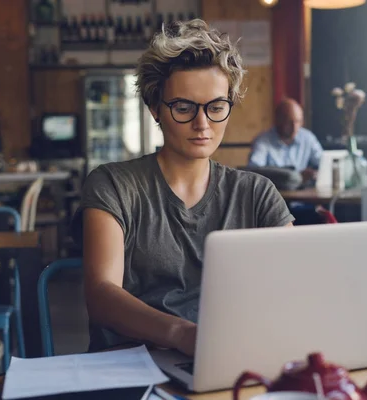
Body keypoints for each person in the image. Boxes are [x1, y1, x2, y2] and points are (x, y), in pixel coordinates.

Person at [70, 20, 294, 356]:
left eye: (216, 107)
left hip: (226, 358)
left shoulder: (257, 194)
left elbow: (298, 281)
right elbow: (101, 295)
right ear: (155, 110)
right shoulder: (114, 185)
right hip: (131, 364)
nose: (202, 124)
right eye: (184, 108)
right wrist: (184, 335)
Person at [248, 98, 323, 184]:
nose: (294, 127)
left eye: (298, 121)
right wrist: (297, 177)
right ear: (278, 120)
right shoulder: (262, 141)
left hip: (302, 193)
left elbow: (323, 162)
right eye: (289, 122)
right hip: (275, 193)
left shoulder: (308, 138)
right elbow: (254, 170)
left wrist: (316, 174)